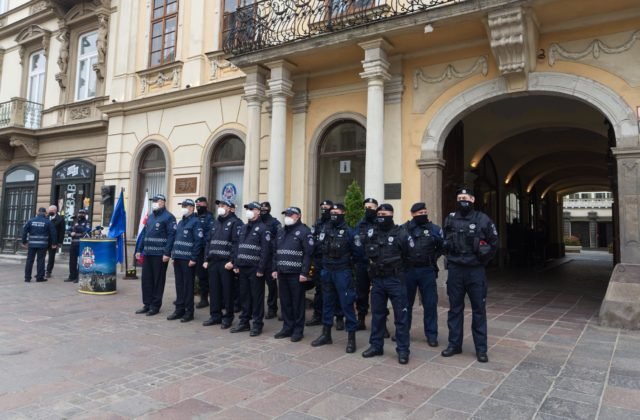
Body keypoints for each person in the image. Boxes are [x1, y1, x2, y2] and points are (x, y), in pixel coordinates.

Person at [441, 187, 498, 363]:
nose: (462, 200)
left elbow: (494, 243)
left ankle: (481, 349)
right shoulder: (450, 219)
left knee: (478, 310)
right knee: (455, 309)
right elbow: (444, 242)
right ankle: (454, 345)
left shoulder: (482, 219)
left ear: (473, 200)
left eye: (465, 197)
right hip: (456, 270)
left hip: (475, 271)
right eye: (459, 198)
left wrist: (482, 261)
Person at [360, 204, 412, 365]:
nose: (381, 216)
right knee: (377, 315)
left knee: (401, 317)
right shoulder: (372, 233)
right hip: (378, 280)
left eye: (385, 213)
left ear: (392, 214)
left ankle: (403, 350)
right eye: (379, 213)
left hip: (396, 280)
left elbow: (409, 255)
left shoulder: (401, 233)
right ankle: (376, 345)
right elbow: (365, 251)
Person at [311, 203, 358, 353]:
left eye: (337, 212)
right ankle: (326, 334)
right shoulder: (325, 229)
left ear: (343, 213)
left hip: (342, 272)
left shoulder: (350, 232)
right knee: (327, 303)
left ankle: (351, 338)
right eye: (332, 212)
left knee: (347, 304)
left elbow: (357, 254)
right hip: (327, 271)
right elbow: (318, 248)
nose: (333, 214)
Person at [402, 202, 443, 347]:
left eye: (425, 212)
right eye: (420, 213)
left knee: (430, 304)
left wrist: (432, 258)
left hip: (427, 270)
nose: (423, 215)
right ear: (413, 214)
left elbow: (442, 246)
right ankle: (403, 332)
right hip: (409, 271)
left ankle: (432, 335)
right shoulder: (404, 229)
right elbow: (398, 248)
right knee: (405, 303)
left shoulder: (434, 229)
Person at [230, 201, 272, 336]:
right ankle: (244, 322)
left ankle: (257, 324)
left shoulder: (263, 228)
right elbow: (237, 247)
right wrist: (236, 264)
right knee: (244, 296)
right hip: (242, 267)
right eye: (247, 208)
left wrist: (261, 269)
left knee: (257, 297)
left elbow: (266, 251)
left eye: (251, 208)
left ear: (258, 211)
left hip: (255, 269)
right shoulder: (243, 227)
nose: (248, 210)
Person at [272, 207, 314, 342]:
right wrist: (274, 269)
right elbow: (275, 253)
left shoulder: (304, 232)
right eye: (286, 214)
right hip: (282, 273)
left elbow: (308, 254)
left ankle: (298, 330)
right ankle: (287, 327)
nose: (287, 217)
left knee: (297, 303)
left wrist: (304, 273)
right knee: (285, 302)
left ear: (298, 216)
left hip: (296, 275)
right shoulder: (281, 231)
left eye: (291, 215)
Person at [202, 198, 243, 328]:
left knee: (227, 292)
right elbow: (208, 242)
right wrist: (206, 259)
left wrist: (232, 261)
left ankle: (228, 317)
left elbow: (237, 244)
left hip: (226, 263)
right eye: (219, 204)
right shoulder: (215, 222)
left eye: (223, 205)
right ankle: (215, 315)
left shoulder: (235, 223)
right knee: (214, 291)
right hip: (213, 262)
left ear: (230, 208)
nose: (220, 207)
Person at [135, 194, 177, 316]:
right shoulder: (151, 217)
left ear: (163, 202)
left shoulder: (169, 217)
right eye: (152, 201)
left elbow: (171, 236)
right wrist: (139, 249)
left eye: (156, 201)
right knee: (146, 280)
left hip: (160, 255)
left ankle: (155, 305)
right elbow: (144, 234)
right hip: (148, 253)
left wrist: (167, 253)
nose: (153, 203)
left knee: (158, 281)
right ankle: (147, 304)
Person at [167, 199, 204, 323]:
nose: (183, 208)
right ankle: (179, 309)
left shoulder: (196, 222)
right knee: (179, 285)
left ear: (192, 208)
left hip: (188, 260)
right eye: (182, 206)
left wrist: (194, 258)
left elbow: (198, 242)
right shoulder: (181, 222)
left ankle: (189, 312)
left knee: (188, 286)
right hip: (178, 258)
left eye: (185, 206)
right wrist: (174, 256)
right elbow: (176, 240)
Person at [353, 197, 378, 330]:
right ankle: (361, 319)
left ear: (376, 208)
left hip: (377, 265)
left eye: (371, 207)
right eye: (366, 208)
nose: (369, 210)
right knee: (361, 293)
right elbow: (355, 242)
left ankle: (381, 323)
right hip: (362, 264)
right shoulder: (360, 225)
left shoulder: (381, 223)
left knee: (379, 294)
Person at [306, 200, 333, 327]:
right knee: (319, 289)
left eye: (326, 207)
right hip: (318, 260)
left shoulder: (334, 223)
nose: (324, 209)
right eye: (322, 207)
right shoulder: (318, 223)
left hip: (330, 261)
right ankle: (318, 315)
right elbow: (312, 240)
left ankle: (336, 317)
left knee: (332, 290)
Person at [22, 207, 57, 283]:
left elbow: (24, 231)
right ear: (45, 213)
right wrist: (54, 243)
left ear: (37, 212)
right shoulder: (48, 222)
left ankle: (27, 278)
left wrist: (24, 242)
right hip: (42, 245)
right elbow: (53, 233)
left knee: (29, 261)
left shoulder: (31, 221)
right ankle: (39, 277)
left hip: (32, 244)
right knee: (41, 260)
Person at [260, 201, 281, 319]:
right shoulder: (256, 222)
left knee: (272, 286)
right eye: (261, 208)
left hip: (269, 258)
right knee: (257, 286)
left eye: (265, 208)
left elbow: (279, 239)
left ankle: (272, 309)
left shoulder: (274, 223)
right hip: (257, 258)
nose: (263, 210)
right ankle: (257, 308)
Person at [195, 197, 214, 309]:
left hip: (203, 250)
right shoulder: (195, 217)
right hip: (194, 250)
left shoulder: (209, 218)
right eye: (197, 204)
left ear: (205, 204)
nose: (198, 206)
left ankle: (204, 299)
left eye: (200, 204)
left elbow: (208, 236)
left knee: (203, 276)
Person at [66, 209, 91, 283]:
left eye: (82, 213)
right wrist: (70, 233)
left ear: (85, 215)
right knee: (72, 261)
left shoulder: (87, 222)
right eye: (80, 213)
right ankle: (72, 276)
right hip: (73, 244)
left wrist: (76, 230)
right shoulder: (75, 222)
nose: (81, 215)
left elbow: (86, 231)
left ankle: (78, 277)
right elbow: (68, 230)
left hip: (81, 244)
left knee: (80, 261)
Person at [45, 205, 65, 279]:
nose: (50, 212)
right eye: (49, 210)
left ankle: (48, 271)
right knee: (41, 256)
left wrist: (60, 242)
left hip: (53, 241)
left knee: (51, 257)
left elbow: (62, 232)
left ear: (55, 211)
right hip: (44, 241)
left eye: (52, 211)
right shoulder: (46, 218)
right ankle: (41, 271)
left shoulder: (60, 219)